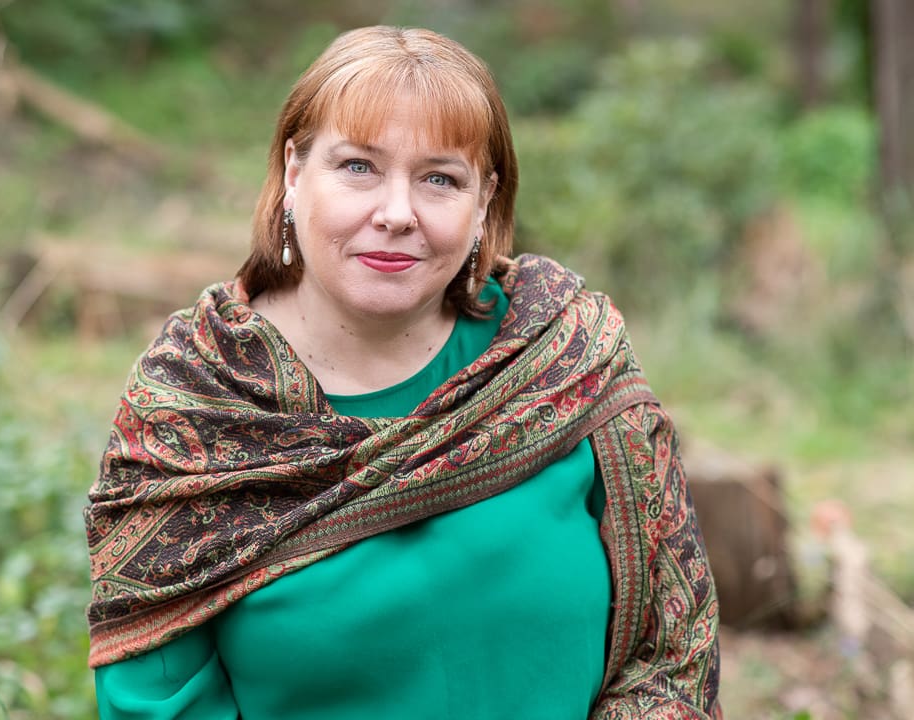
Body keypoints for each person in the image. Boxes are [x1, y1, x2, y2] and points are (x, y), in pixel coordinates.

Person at [84, 25, 722, 719]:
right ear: (295, 174)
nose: (396, 214)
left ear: (483, 202)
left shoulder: (566, 358)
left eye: (439, 179)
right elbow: (156, 698)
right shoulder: (194, 401)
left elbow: (671, 647)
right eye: (358, 166)